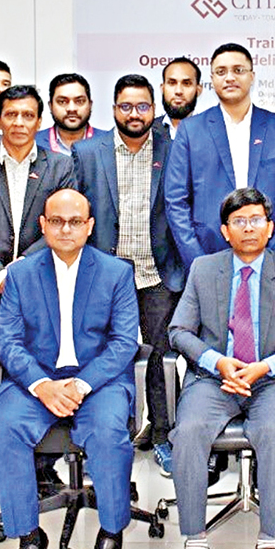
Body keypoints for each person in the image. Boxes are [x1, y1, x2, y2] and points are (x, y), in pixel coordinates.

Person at [168, 187, 275, 549]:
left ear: (270, 227)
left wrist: (265, 366)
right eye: (239, 221)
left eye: (256, 220)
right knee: (188, 431)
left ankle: (269, 541)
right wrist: (218, 362)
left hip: (273, 379)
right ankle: (195, 544)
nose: (249, 228)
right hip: (215, 379)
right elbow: (179, 331)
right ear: (225, 231)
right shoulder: (204, 269)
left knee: (273, 431)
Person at [0, 189, 140, 549]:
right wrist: (42, 385)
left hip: (98, 380)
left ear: (89, 226)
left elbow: (124, 342)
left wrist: (81, 385)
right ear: (43, 225)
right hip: (36, 379)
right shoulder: (20, 275)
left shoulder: (116, 272)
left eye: (75, 222)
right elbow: (7, 341)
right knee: (3, 429)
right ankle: (28, 537)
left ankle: (111, 531)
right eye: (56, 221)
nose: (66, 229)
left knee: (107, 433)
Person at [0, 84, 77, 510]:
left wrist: (20, 272)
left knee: (40, 376)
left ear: (39, 120)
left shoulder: (60, 165)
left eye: (28, 115)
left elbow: (61, 225)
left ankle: (43, 469)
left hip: (43, 293)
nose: (20, 123)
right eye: (12, 114)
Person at [74, 75, 184, 477]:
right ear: (113, 109)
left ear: (153, 109)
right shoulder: (88, 152)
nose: (134, 114)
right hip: (105, 278)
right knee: (103, 360)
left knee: (159, 360)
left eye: (142, 106)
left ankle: (164, 436)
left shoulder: (174, 150)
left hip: (158, 275)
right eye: (126, 106)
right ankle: (105, 437)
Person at [164, 42, 275, 269]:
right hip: (209, 256)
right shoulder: (190, 130)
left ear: (252, 76)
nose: (230, 77)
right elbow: (176, 200)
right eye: (221, 72)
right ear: (212, 79)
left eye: (238, 70)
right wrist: (198, 262)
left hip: (272, 257)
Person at [40, 73, 106, 155]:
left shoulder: (110, 142)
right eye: (62, 102)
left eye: (79, 101)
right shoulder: (33, 142)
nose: (71, 109)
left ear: (90, 105)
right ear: (50, 106)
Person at [157, 56, 202, 139]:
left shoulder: (212, 131)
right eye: (172, 83)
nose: (178, 91)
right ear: (162, 88)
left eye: (186, 83)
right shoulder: (148, 131)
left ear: (198, 90)